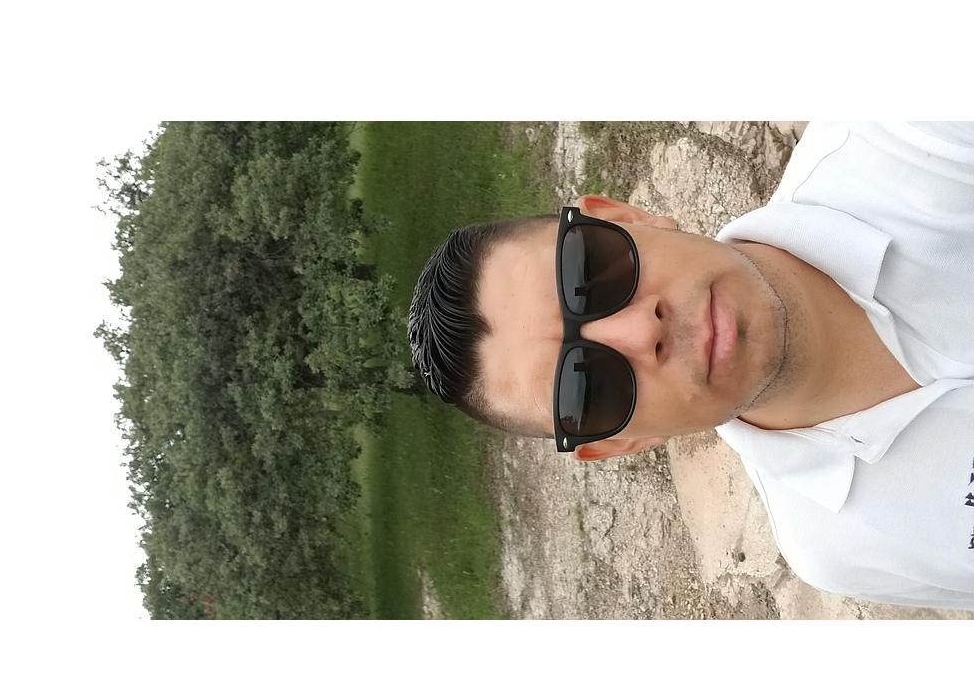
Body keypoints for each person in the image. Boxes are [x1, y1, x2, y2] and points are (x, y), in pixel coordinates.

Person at [408, 122, 974, 611]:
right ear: (619, 442)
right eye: (586, 387)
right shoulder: (840, 548)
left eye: (588, 274)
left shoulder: (912, 138)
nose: (641, 331)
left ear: (624, 217)